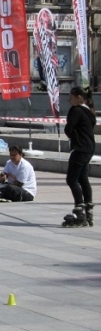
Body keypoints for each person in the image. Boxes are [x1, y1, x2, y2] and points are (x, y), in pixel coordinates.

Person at [62, 86, 96, 227]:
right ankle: (88, 210)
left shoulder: (76, 110)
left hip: (80, 148)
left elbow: (68, 129)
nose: (69, 100)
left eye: (71, 97)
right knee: (83, 178)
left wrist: (73, 136)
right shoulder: (89, 111)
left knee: (72, 179)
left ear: (79, 97)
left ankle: (80, 211)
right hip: (89, 147)